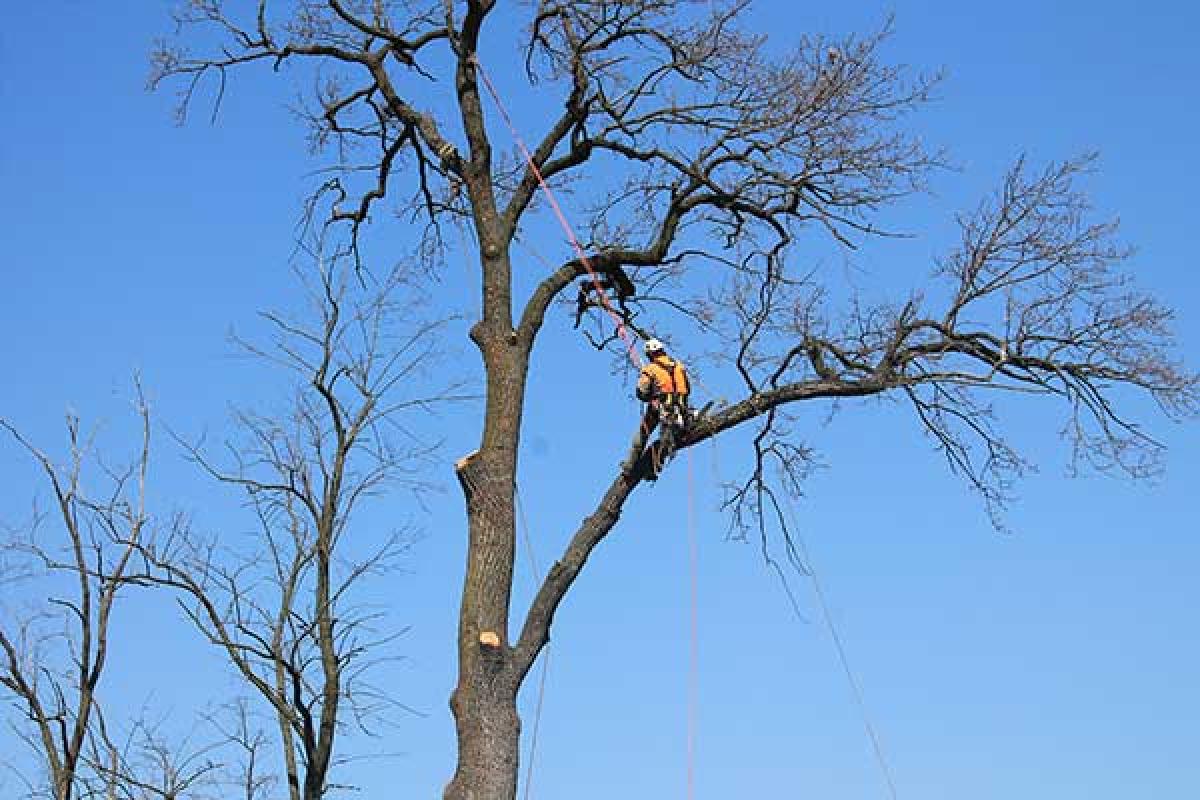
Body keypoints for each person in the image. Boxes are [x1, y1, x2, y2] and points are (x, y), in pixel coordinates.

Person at [630, 338, 691, 477]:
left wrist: (650, 396)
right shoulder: (679, 366)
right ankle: (655, 462)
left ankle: (631, 466)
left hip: (660, 407)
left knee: (643, 434)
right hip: (680, 409)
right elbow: (688, 388)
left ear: (650, 354)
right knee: (669, 437)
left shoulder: (650, 369)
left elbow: (641, 391)